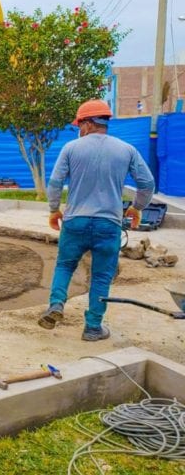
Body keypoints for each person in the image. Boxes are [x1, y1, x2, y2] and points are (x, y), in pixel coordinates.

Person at [38, 99, 155, 341]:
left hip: (75, 222)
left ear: (88, 123)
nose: (78, 130)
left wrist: (53, 209)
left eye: (79, 124)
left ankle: (56, 304)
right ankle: (92, 328)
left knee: (65, 265)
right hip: (108, 224)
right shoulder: (126, 150)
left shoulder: (71, 148)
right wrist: (136, 208)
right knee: (102, 275)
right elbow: (147, 183)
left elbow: (55, 182)